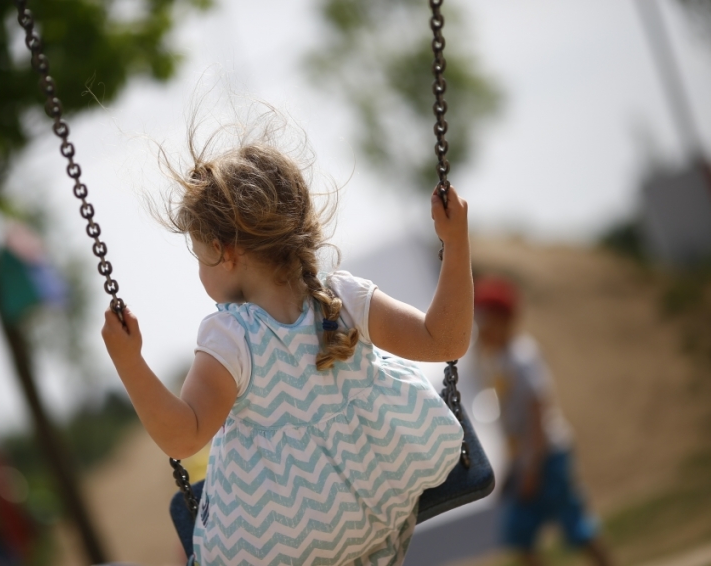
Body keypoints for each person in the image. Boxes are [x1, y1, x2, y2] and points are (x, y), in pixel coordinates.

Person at [101, 125, 473, 565]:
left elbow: (184, 436)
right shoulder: (344, 298)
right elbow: (445, 340)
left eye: (199, 256)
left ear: (226, 253)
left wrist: (129, 363)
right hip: (375, 521)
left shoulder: (232, 337)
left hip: (281, 547)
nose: (200, 273)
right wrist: (455, 241)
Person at [472, 275, 611, 566]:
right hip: (525, 460)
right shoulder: (496, 361)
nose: (480, 329)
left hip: (547, 455)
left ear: (504, 320)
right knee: (519, 535)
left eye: (485, 321)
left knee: (575, 526)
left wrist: (532, 464)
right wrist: (513, 466)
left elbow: (538, 411)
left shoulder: (522, 355)